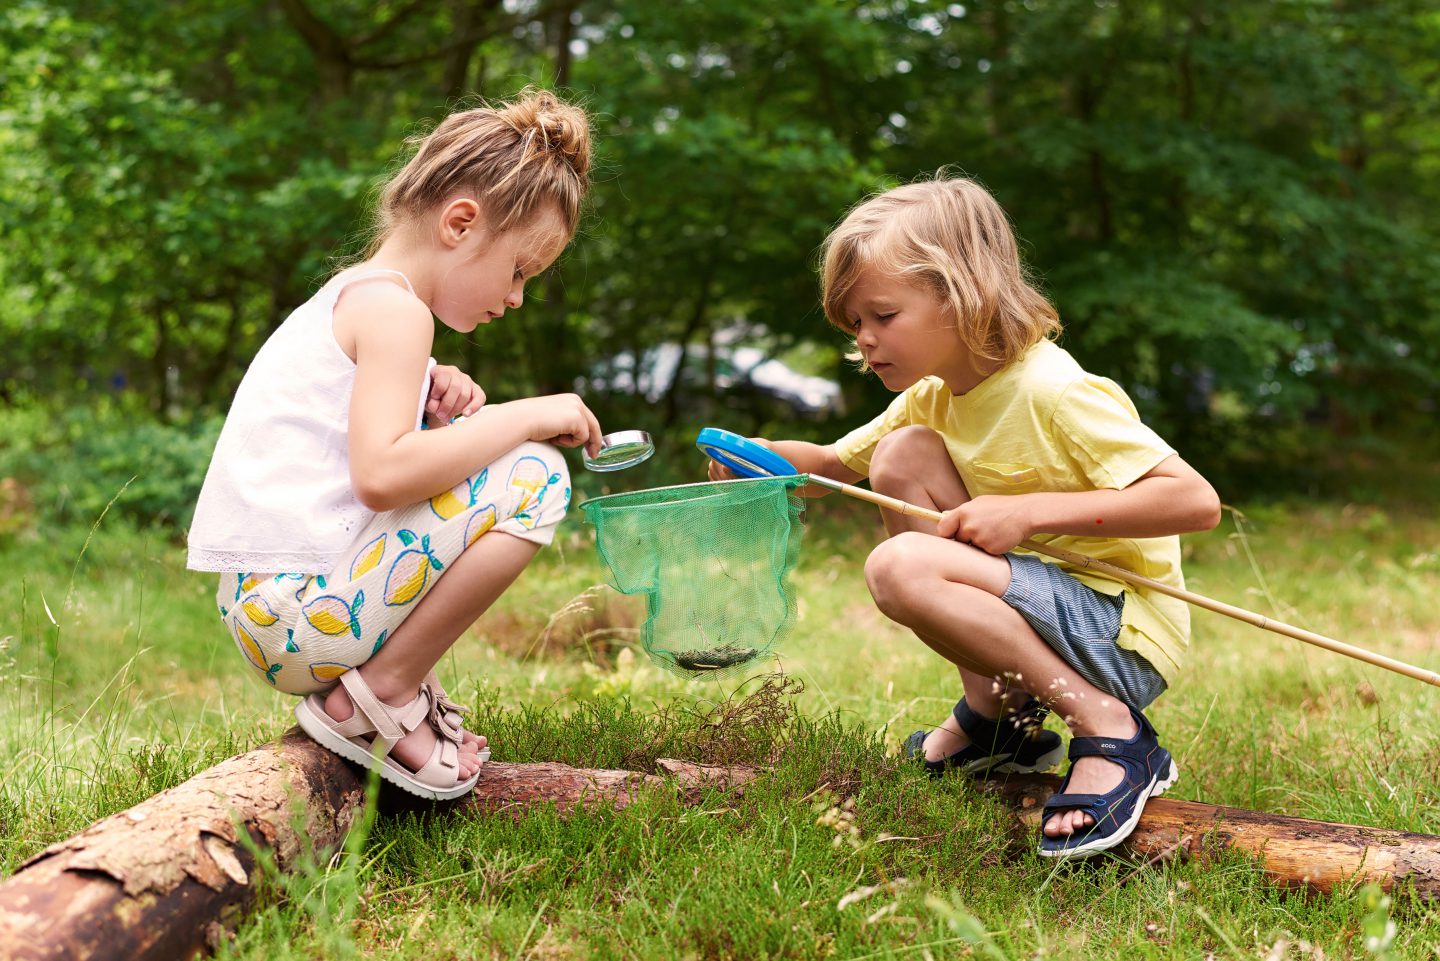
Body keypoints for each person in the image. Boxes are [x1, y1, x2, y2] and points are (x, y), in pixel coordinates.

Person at [709, 176, 1221, 857]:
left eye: (882, 316)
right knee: (900, 455)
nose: (864, 339)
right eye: (854, 323)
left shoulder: (1054, 389)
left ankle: (1116, 732)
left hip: (1119, 635)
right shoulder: (934, 395)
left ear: (960, 294)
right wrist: (767, 460)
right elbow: (832, 467)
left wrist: (1029, 513)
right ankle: (999, 720)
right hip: (1050, 615)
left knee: (899, 568)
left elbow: (1194, 501)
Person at [187, 89, 604, 801]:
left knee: (500, 461)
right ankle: (375, 695)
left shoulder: (362, 298)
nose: (516, 298)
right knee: (535, 474)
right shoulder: (395, 313)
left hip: (272, 605)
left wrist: (441, 416)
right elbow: (382, 477)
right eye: (519, 271)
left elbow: (364, 478)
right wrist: (524, 416)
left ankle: (386, 689)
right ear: (461, 223)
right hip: (294, 610)